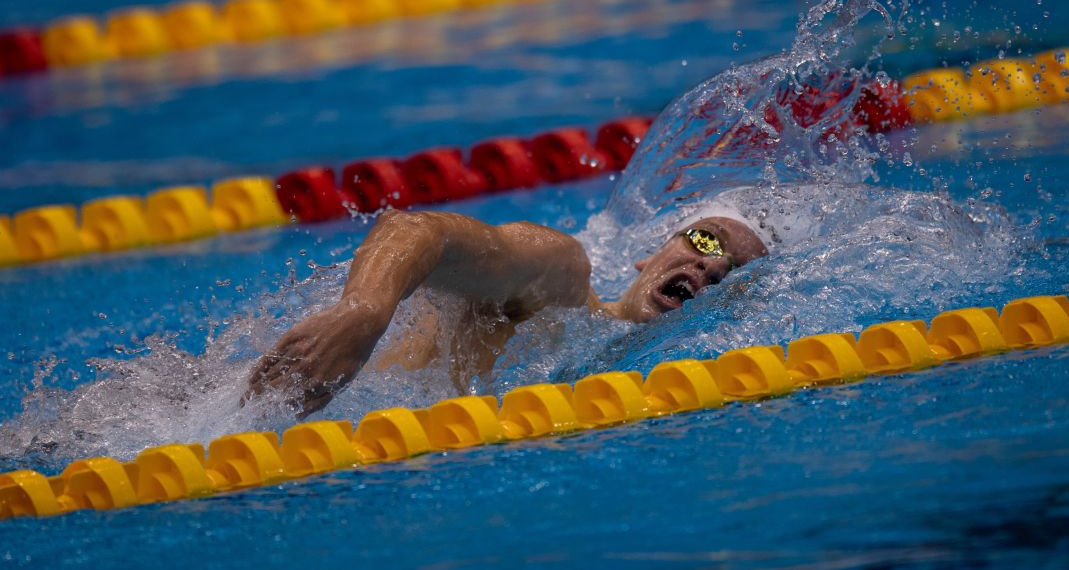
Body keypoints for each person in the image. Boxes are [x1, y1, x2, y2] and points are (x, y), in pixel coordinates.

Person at [246, 210, 769, 414]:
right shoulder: (563, 280)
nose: (711, 265)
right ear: (649, 254)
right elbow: (418, 231)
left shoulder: (646, 387)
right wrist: (362, 311)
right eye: (705, 239)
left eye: (735, 271)